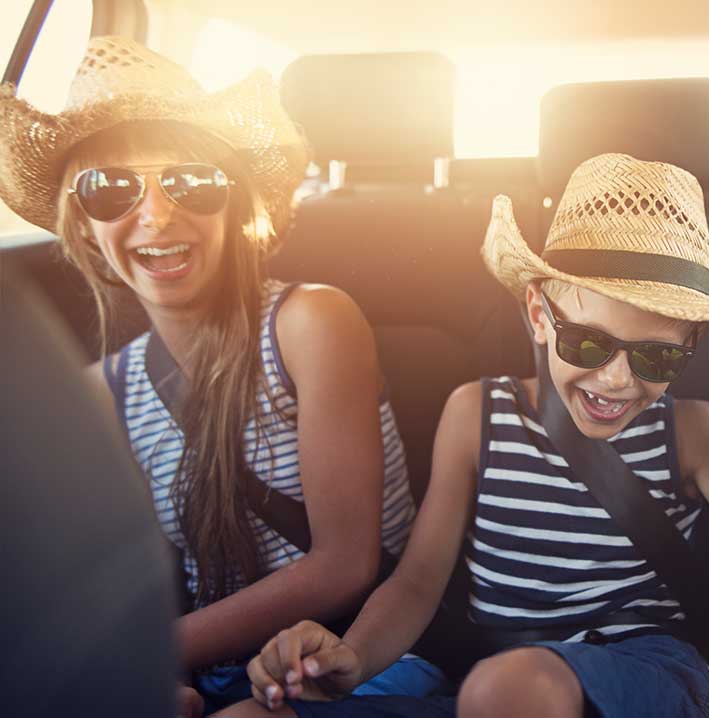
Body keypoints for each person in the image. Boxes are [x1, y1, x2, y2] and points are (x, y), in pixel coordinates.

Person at [221, 152, 709, 718]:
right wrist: (353, 657)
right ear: (538, 315)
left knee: (511, 689)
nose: (618, 380)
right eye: (589, 342)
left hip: (645, 674)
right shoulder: (477, 414)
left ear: (691, 347)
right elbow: (416, 584)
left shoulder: (694, 433)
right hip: (481, 674)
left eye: (657, 359)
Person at [0, 36, 425, 714]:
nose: (157, 214)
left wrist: (148, 654)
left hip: (355, 653)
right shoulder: (101, 393)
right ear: (83, 226)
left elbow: (346, 564)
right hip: (219, 668)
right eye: (111, 189)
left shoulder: (310, 323)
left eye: (189, 181)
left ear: (234, 205)